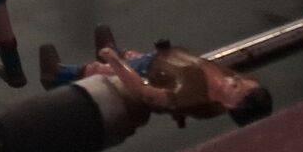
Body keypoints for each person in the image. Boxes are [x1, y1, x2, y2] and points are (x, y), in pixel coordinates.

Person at [37, 26, 273, 128]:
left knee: (101, 70)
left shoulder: (191, 95)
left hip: (149, 72)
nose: (236, 80)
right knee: (131, 56)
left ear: (232, 105)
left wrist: (115, 62)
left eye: (237, 88)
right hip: (160, 62)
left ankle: (58, 74)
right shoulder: (224, 81)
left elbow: (144, 91)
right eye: (243, 81)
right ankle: (118, 54)